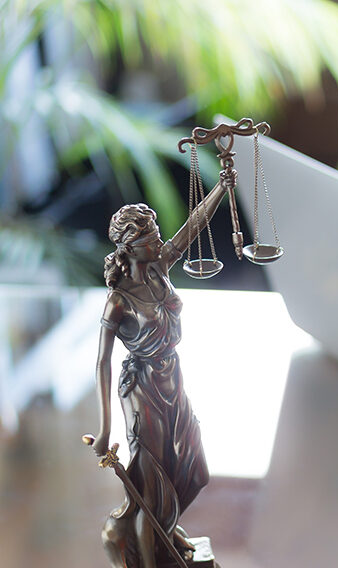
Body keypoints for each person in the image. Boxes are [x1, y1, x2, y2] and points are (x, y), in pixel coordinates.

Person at [91, 178, 231, 567]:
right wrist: (105, 430)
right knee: (152, 492)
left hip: (174, 377)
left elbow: (193, 226)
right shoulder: (118, 300)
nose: (158, 243)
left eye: (156, 237)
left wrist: (223, 184)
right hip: (142, 388)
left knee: (194, 471)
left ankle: (165, 530)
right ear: (129, 248)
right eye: (150, 240)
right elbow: (101, 362)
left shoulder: (160, 266)